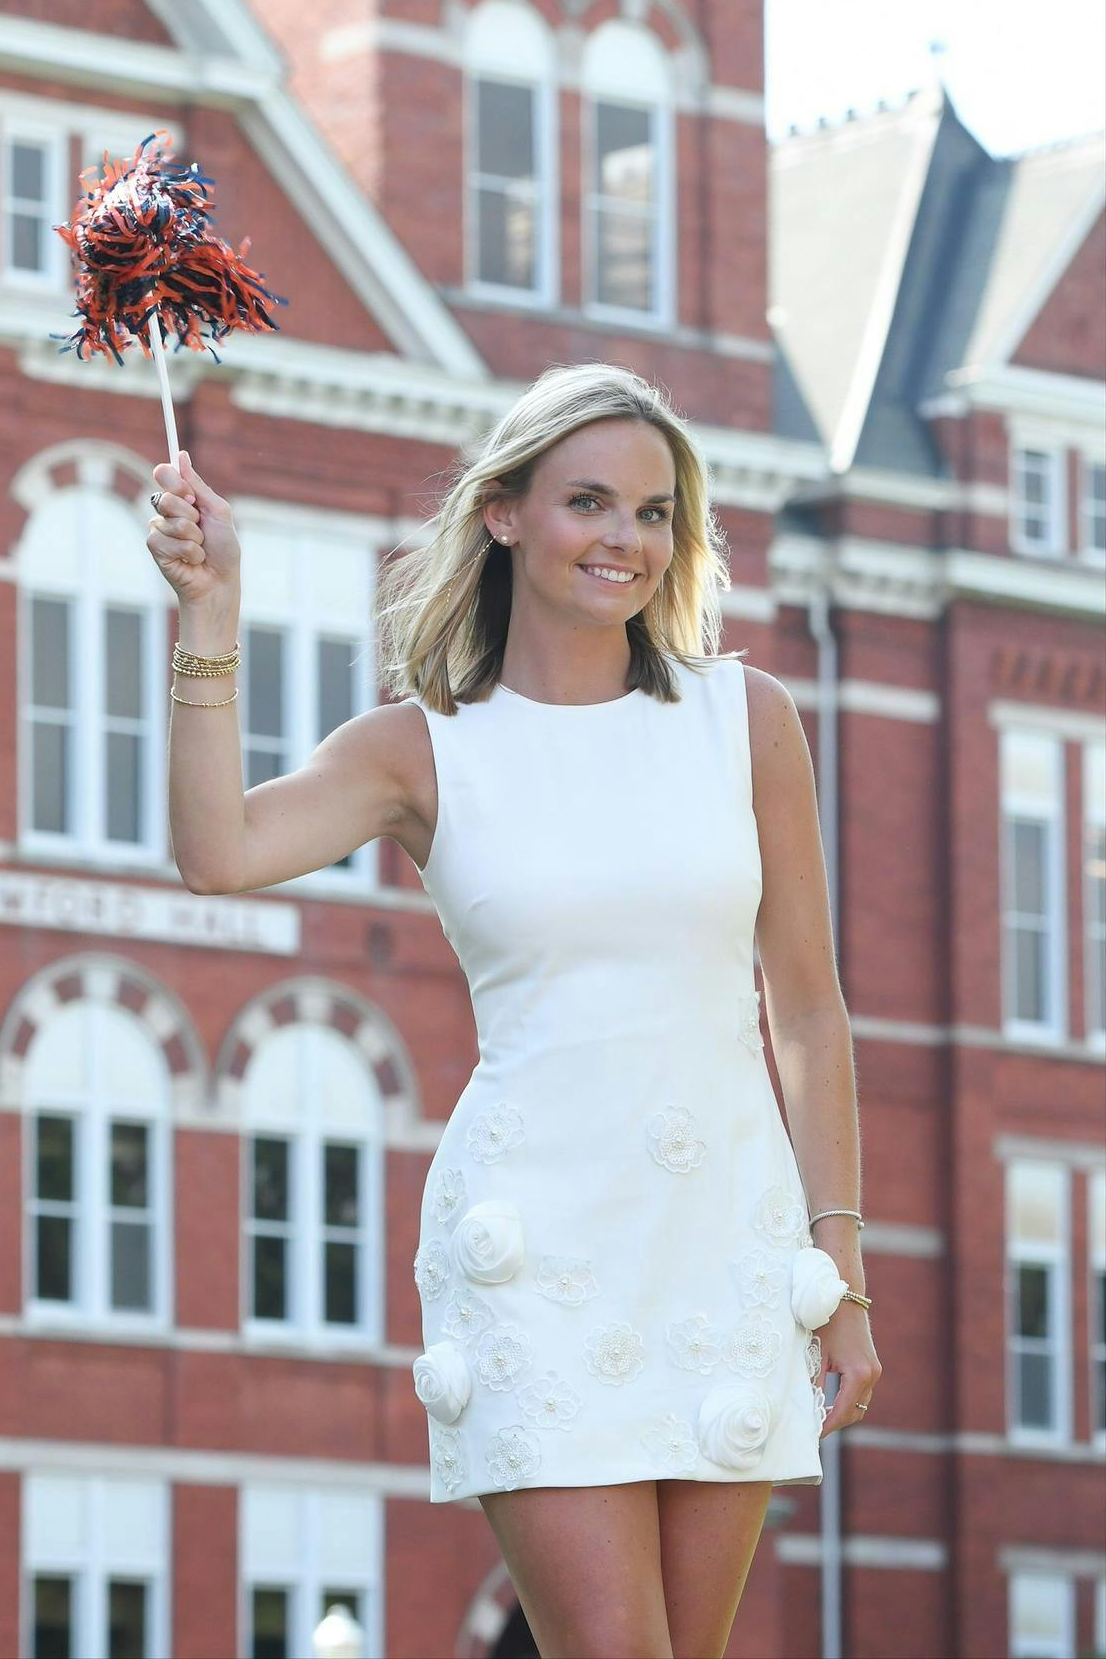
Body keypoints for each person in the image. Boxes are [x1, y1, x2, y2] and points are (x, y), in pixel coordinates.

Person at [147, 361, 882, 1659]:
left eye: (653, 514)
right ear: (502, 513)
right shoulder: (421, 748)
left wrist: (843, 1281)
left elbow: (809, 1018)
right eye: (589, 502)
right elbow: (217, 851)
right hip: (531, 1249)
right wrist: (213, 607)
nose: (625, 540)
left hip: (721, 1241)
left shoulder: (747, 721)